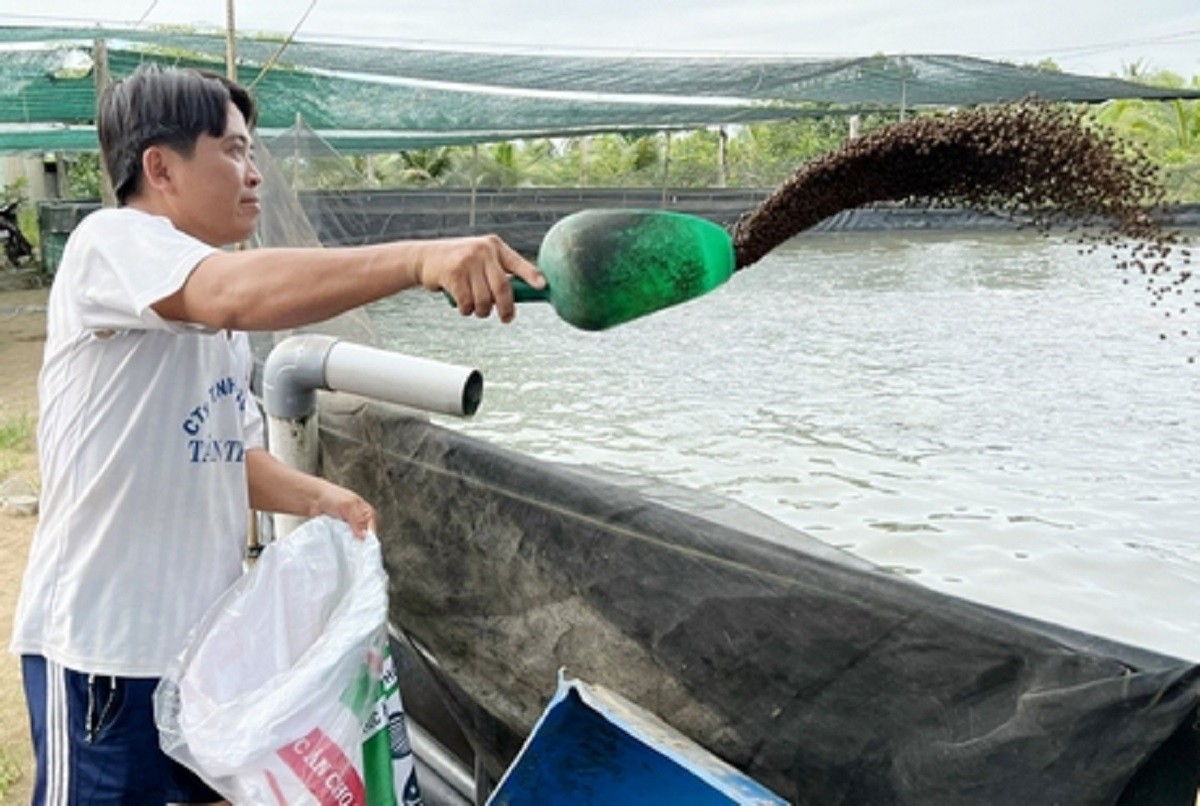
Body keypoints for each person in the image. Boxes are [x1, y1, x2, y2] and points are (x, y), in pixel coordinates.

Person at [9, 63, 544, 804]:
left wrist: (321, 495)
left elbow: (227, 456)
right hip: (107, 654)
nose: (254, 173)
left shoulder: (217, 325)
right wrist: (419, 259)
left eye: (252, 151)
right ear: (159, 167)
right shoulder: (113, 243)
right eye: (232, 151)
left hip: (199, 661)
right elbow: (234, 294)